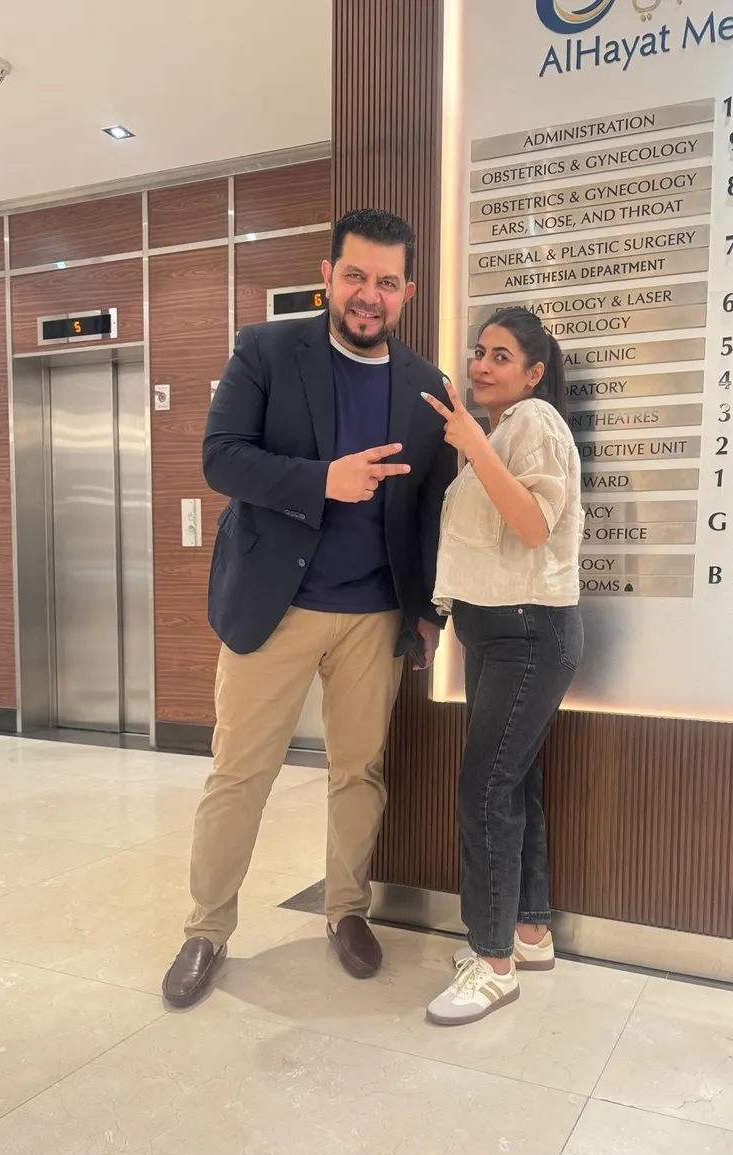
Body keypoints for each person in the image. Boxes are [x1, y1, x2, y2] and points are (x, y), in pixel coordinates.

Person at [162, 208, 456, 1007]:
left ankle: (346, 910)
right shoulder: (265, 350)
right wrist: (322, 480)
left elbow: (430, 507)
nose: (368, 295)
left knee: (358, 771)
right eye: (355, 275)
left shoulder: (427, 385)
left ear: (407, 292)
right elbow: (220, 459)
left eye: (386, 282)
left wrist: (426, 611)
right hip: (275, 607)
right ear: (327, 276)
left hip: (374, 616)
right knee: (240, 772)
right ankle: (206, 929)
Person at [421, 307, 584, 1026]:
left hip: (527, 632)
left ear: (534, 373)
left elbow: (533, 524)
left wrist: (470, 444)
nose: (481, 365)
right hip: (501, 631)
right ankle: (528, 934)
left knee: (484, 790)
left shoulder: (533, 422)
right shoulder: (501, 431)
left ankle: (492, 966)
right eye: (478, 352)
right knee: (511, 785)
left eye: (500, 356)